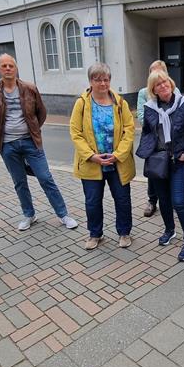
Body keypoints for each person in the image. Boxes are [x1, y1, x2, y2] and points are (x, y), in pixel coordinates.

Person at [0, 54, 78, 232]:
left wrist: (33, 130)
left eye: (11, 65)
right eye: (4, 66)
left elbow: (41, 113)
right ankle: (29, 214)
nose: (8, 68)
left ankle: (63, 214)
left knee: (45, 178)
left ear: (16, 68)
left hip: (30, 142)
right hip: (8, 145)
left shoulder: (29, 88)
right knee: (19, 181)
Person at [69, 63, 135, 250]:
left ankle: (124, 232)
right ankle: (95, 234)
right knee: (92, 201)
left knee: (122, 199)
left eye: (106, 79)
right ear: (91, 81)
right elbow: (75, 132)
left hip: (117, 162)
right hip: (92, 163)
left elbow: (129, 130)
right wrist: (91, 156)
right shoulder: (82, 103)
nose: (102, 83)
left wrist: (118, 154)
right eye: (98, 79)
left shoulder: (120, 103)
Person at [137, 71, 184, 261]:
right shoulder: (149, 108)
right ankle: (170, 230)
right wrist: (147, 153)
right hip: (158, 161)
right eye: (158, 84)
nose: (163, 85)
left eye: (165, 81)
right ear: (153, 89)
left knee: (179, 202)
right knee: (163, 201)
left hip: (178, 161)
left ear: (170, 83)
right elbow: (148, 133)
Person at [137, 60, 168, 218]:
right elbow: (142, 117)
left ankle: (169, 201)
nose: (155, 76)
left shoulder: (170, 89)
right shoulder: (143, 93)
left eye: (159, 73)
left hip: (169, 141)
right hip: (152, 139)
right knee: (153, 171)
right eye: (152, 73)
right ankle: (152, 201)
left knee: (169, 169)